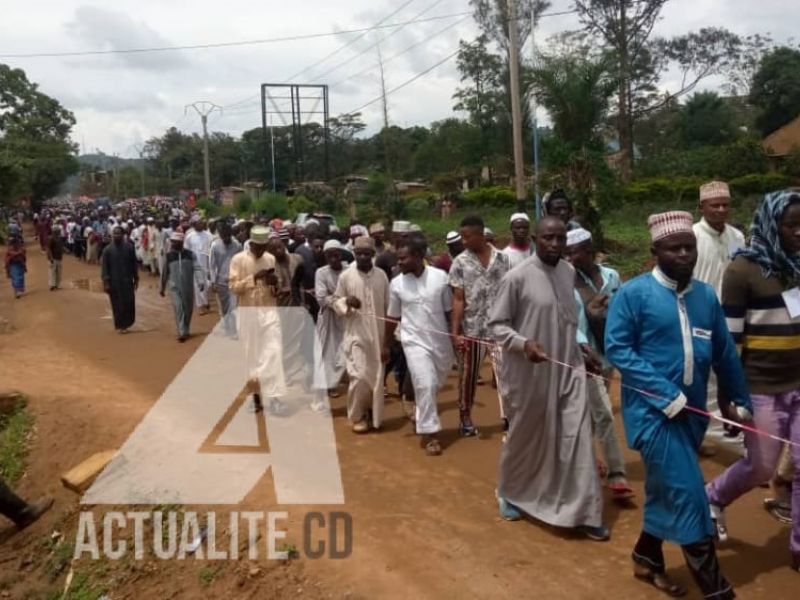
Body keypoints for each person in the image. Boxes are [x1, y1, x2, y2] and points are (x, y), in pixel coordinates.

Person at [605, 210, 751, 598]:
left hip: (693, 415)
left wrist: (738, 400)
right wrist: (665, 395)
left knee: (664, 489)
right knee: (689, 494)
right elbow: (619, 348)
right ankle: (717, 591)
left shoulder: (705, 296)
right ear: (656, 251)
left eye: (689, 247)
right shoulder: (632, 295)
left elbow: (724, 354)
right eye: (675, 248)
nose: (685, 254)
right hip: (651, 416)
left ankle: (647, 557)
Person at [488, 216, 608, 541]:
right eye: (548, 238)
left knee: (578, 435)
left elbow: (568, 321)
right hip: (530, 373)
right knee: (527, 436)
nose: (555, 244)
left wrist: (582, 349)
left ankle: (586, 510)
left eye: (560, 238)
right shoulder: (517, 277)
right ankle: (509, 491)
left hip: (568, 369)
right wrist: (523, 343)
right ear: (536, 240)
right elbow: (496, 325)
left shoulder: (568, 272)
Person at [705, 190, 800, 574]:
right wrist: (730, 394)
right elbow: (730, 340)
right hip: (760, 387)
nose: (799, 234)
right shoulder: (742, 270)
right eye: (792, 226)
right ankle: (712, 497)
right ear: (771, 224)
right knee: (761, 467)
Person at [564, 227, 634, 502]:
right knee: (604, 412)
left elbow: (624, 311)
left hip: (609, 354)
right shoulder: (566, 281)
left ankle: (589, 456)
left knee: (593, 411)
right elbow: (570, 321)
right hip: (585, 355)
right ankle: (618, 474)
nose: (569, 258)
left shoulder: (612, 276)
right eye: (566, 253)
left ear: (589, 250)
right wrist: (581, 346)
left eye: (574, 252)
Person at [692, 181, 747, 454]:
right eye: (715, 205)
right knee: (704, 378)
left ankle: (716, 433)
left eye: (725, 204)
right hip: (700, 317)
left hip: (734, 317)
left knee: (727, 376)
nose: (721, 209)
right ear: (702, 206)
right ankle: (713, 436)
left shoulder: (737, 236)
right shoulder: (691, 237)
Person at [386, 236, 453, 456]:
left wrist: (456, 336)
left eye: (403, 258)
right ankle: (430, 432)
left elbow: (449, 311)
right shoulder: (396, 284)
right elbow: (392, 317)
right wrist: (386, 345)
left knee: (435, 383)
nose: (399, 263)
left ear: (417, 257)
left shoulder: (440, 277)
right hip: (413, 341)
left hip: (440, 342)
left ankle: (413, 401)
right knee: (425, 383)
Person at [449, 215, 510, 437]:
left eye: (467, 236)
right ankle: (465, 417)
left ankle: (509, 417)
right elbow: (458, 299)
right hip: (472, 330)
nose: (463, 241)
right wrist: (455, 332)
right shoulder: (460, 263)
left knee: (506, 375)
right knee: (468, 376)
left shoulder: (503, 260)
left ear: (480, 234)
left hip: (500, 329)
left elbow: (510, 294)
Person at [228, 226, 287, 416]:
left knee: (274, 354)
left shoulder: (270, 259)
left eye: (264, 246)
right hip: (248, 314)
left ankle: (276, 398)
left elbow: (276, 287)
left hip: (269, 312)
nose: (262, 250)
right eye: (258, 247)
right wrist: (254, 277)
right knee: (252, 357)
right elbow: (233, 287)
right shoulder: (238, 259)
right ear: (251, 243)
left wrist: (274, 284)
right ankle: (255, 398)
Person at [333, 237, 389, 433]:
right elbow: (336, 301)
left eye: (366, 253)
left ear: (373, 254)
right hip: (355, 334)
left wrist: (388, 341)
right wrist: (347, 302)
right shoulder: (346, 276)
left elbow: (389, 307)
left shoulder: (381, 275)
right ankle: (357, 416)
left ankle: (372, 415)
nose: (362, 257)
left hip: (378, 336)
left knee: (376, 378)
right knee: (358, 376)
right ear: (354, 254)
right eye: (359, 253)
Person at [314, 240, 348, 402]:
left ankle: (343, 379)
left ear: (341, 255)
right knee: (328, 351)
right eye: (330, 255)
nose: (333, 258)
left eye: (336, 255)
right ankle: (329, 385)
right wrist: (340, 300)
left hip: (348, 317)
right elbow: (321, 298)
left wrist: (335, 298)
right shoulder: (321, 273)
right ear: (325, 257)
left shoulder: (349, 271)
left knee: (346, 349)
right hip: (329, 318)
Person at [160, 232, 205, 342]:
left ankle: (186, 329)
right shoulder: (169, 256)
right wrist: (162, 287)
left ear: (181, 242)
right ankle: (181, 331)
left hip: (188, 286)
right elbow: (164, 272)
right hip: (174, 287)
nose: (173, 244)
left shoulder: (190, 255)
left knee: (188, 308)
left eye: (175, 242)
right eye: (172, 242)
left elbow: (197, 268)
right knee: (178, 307)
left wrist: (201, 281)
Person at [101, 226, 139, 334]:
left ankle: (127, 323)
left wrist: (136, 278)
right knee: (117, 304)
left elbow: (134, 264)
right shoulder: (107, 250)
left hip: (127, 280)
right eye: (115, 234)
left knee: (129, 302)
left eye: (119, 234)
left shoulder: (130, 248)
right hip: (114, 282)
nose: (117, 236)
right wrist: (106, 282)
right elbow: (104, 268)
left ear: (123, 235)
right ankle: (120, 325)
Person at [209, 222, 242, 339]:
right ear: (221, 235)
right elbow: (212, 265)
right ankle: (228, 327)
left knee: (233, 306)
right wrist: (213, 282)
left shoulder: (237, 245)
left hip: (234, 281)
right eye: (224, 236)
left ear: (231, 234)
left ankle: (233, 330)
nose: (226, 238)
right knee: (224, 308)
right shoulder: (215, 246)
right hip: (221, 282)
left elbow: (241, 262)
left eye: (228, 235)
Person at [184, 219, 213, 315]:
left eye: (202, 223)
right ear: (194, 225)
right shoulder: (190, 237)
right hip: (195, 264)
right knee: (197, 286)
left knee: (208, 284)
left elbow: (212, 250)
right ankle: (201, 305)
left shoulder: (208, 235)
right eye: (199, 223)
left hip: (207, 264)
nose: (201, 224)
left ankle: (205, 302)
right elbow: (186, 250)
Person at [46, 225, 65, 291]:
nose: (59, 232)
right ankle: (52, 285)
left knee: (58, 272)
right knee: (52, 272)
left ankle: (57, 285)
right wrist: (51, 257)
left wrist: (65, 249)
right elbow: (48, 248)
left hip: (59, 258)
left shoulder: (59, 238)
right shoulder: (51, 238)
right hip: (53, 258)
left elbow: (61, 246)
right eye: (58, 231)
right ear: (54, 232)